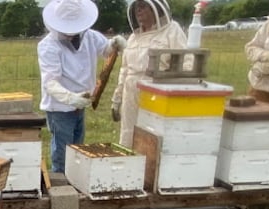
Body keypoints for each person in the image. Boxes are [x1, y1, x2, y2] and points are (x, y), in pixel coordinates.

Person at [38, 0, 123, 173]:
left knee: (77, 148)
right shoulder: (48, 46)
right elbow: (50, 83)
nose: (70, 34)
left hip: (81, 105)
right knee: (62, 151)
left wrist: (114, 44)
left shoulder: (90, 36)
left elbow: (106, 50)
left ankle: (75, 178)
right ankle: (60, 185)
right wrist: (70, 98)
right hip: (60, 109)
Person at [110, 0, 187, 148]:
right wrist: (116, 99)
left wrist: (177, 95)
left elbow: (186, 61)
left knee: (152, 137)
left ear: (155, 9)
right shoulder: (133, 37)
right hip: (131, 92)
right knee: (128, 134)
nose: (138, 11)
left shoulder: (172, 30)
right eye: (136, 7)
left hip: (156, 91)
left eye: (143, 6)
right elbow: (125, 70)